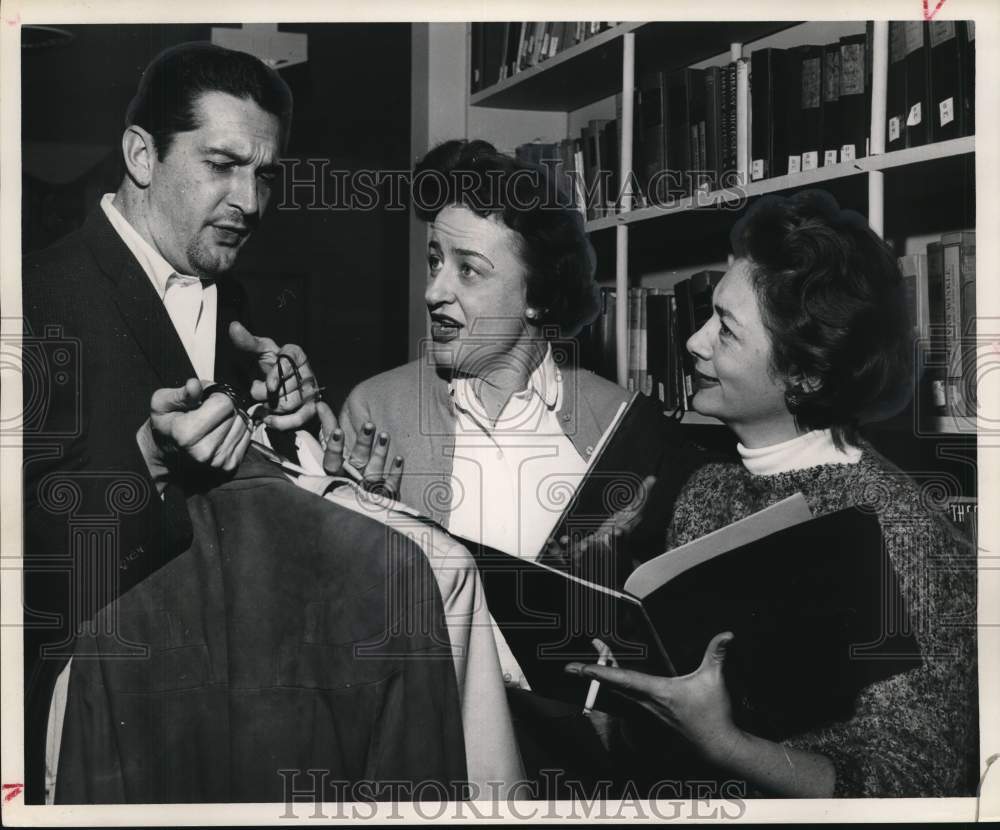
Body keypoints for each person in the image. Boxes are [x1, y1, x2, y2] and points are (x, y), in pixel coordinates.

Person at [20, 41, 388, 802]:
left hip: (242, 691)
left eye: (264, 175)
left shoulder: (236, 306)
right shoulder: (30, 300)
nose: (250, 203)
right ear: (141, 155)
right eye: (221, 165)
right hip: (98, 713)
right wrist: (148, 466)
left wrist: (293, 437)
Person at [565, 190, 978, 797]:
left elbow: (916, 788)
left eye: (726, 331)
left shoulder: (895, 532)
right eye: (710, 316)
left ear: (805, 373)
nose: (694, 343)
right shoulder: (706, 488)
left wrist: (724, 743)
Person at [339, 139, 703, 791]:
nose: (434, 291)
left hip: (582, 778)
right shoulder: (377, 410)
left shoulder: (622, 426)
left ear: (537, 296)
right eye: (433, 261)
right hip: (425, 764)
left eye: (468, 270)